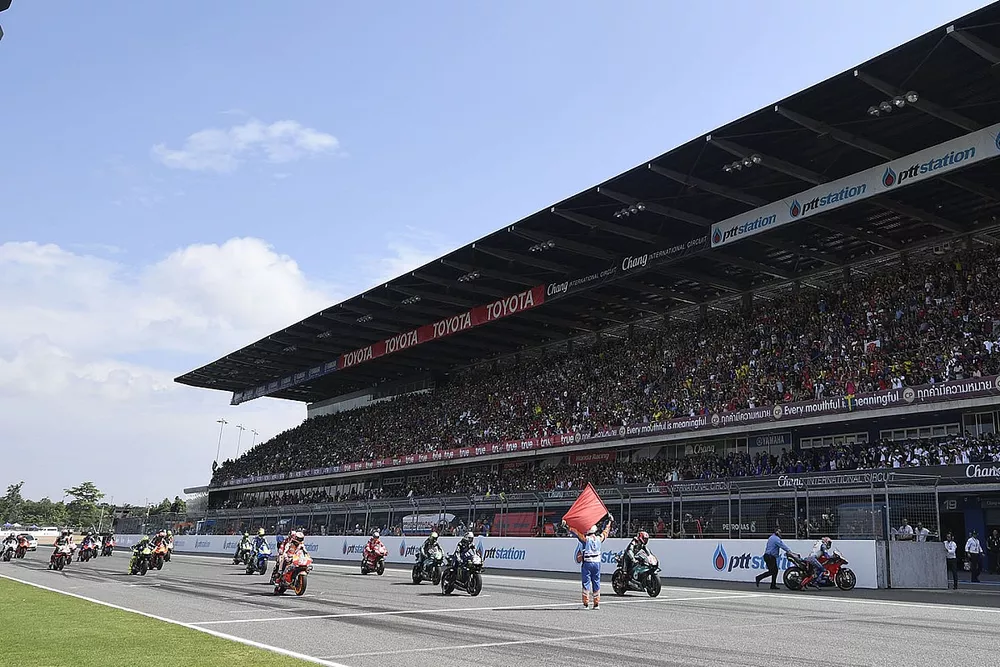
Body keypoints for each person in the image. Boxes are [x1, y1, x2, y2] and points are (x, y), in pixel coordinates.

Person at [566, 514, 613, 610]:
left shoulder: (586, 539)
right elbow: (606, 532)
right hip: (597, 564)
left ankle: (586, 604)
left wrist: (567, 527)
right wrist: (609, 522)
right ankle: (596, 604)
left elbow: (577, 534)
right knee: (596, 582)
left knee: (586, 583)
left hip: (587, 563)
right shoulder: (599, 538)